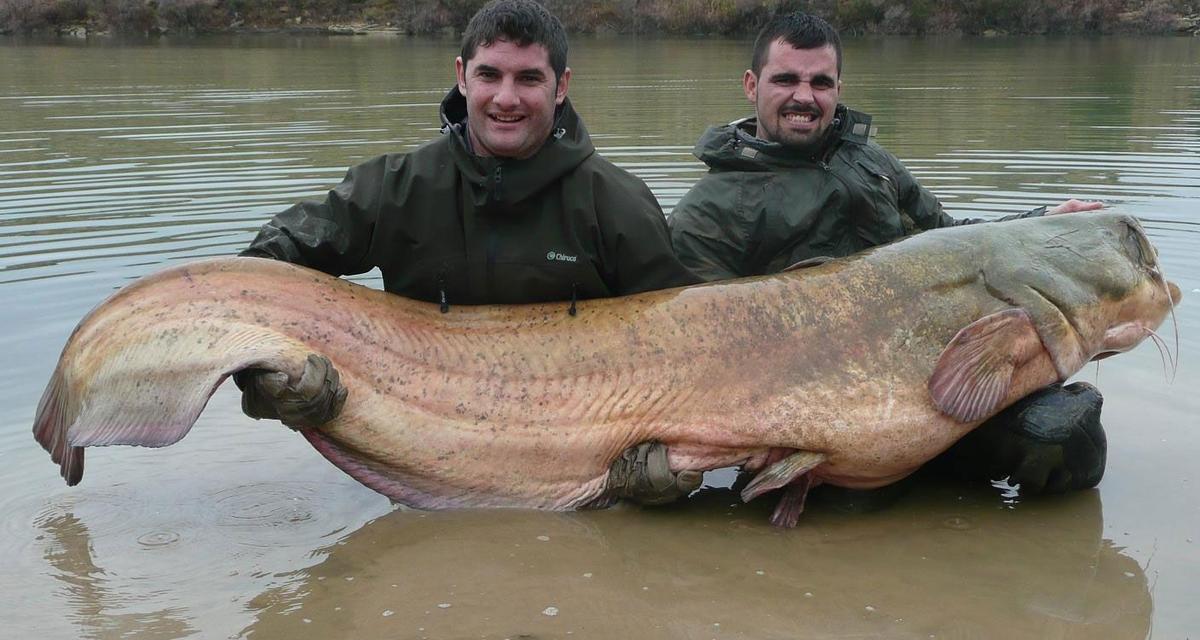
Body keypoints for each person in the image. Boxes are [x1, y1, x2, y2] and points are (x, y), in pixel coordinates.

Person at [236, 0, 702, 505]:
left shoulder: (617, 203)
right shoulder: (396, 187)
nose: (506, 98)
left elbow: (686, 349)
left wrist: (663, 464)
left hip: (581, 472)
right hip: (419, 465)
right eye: (489, 75)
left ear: (561, 85)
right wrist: (268, 381)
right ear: (462, 76)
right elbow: (260, 271)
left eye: (529, 78)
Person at [669, 12, 1107, 501]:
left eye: (820, 82)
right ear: (752, 85)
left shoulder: (871, 162)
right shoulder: (707, 211)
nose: (804, 97)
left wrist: (1041, 220)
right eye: (786, 79)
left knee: (1068, 439)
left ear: (838, 87)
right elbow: (695, 346)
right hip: (810, 414)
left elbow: (952, 240)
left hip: (933, 381)